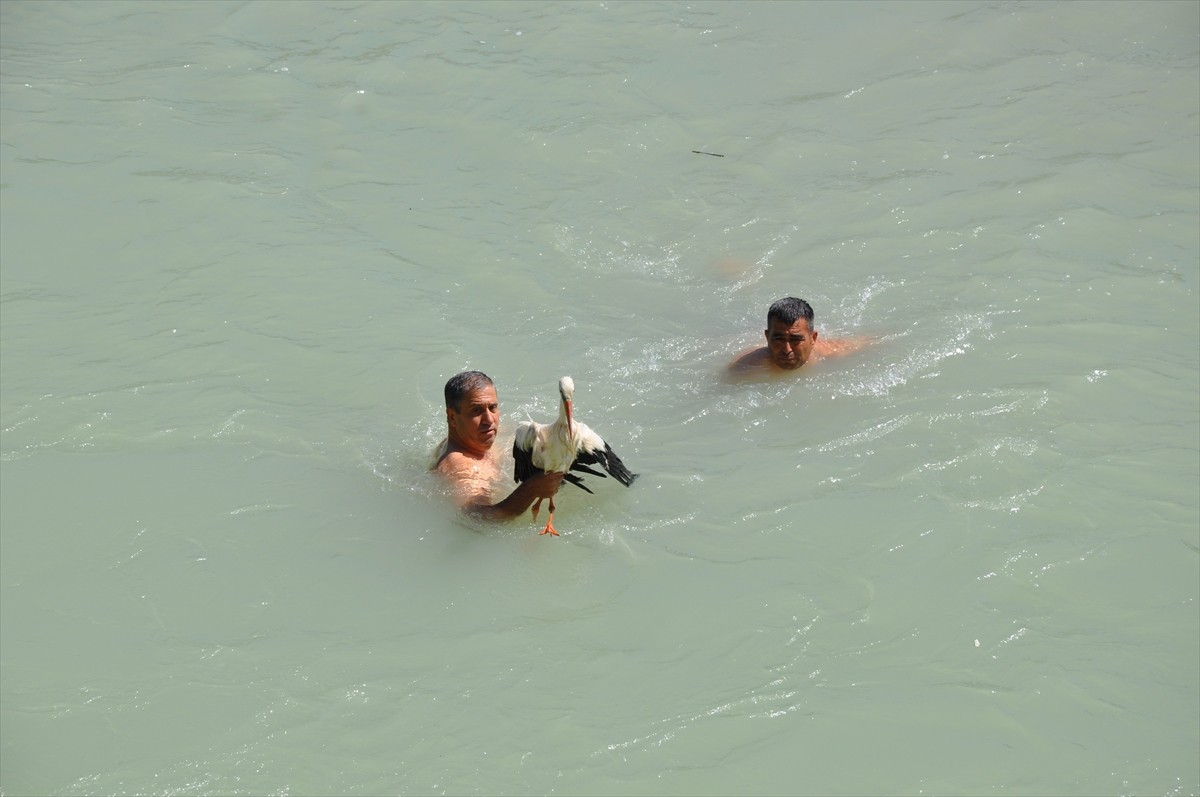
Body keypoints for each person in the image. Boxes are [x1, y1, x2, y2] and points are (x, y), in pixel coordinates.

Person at [431, 370, 564, 519]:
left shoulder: (475, 436)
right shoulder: (463, 467)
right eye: (476, 410)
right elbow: (481, 518)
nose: (489, 420)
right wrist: (531, 489)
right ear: (452, 417)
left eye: (492, 407)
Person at [728, 296, 867, 375]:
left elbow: (872, 342)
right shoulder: (745, 366)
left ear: (813, 339)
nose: (787, 350)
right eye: (778, 339)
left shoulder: (830, 351)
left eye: (795, 340)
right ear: (767, 337)